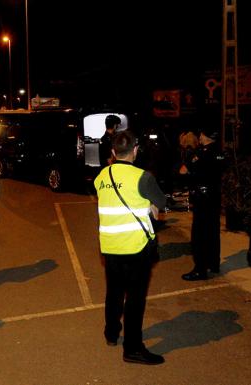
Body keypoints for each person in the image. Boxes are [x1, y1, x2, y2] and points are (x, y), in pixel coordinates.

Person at [94, 130, 166, 365]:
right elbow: (162, 202)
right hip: (136, 247)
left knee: (114, 292)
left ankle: (111, 333)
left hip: (110, 246)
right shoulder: (143, 177)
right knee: (135, 299)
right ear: (135, 150)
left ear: (113, 152)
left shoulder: (101, 176)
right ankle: (133, 348)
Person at [180, 128, 223, 280]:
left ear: (203, 135)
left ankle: (200, 269)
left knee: (199, 234)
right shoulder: (220, 151)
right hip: (215, 196)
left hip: (202, 198)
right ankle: (213, 263)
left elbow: (183, 171)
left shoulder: (201, 153)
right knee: (213, 231)